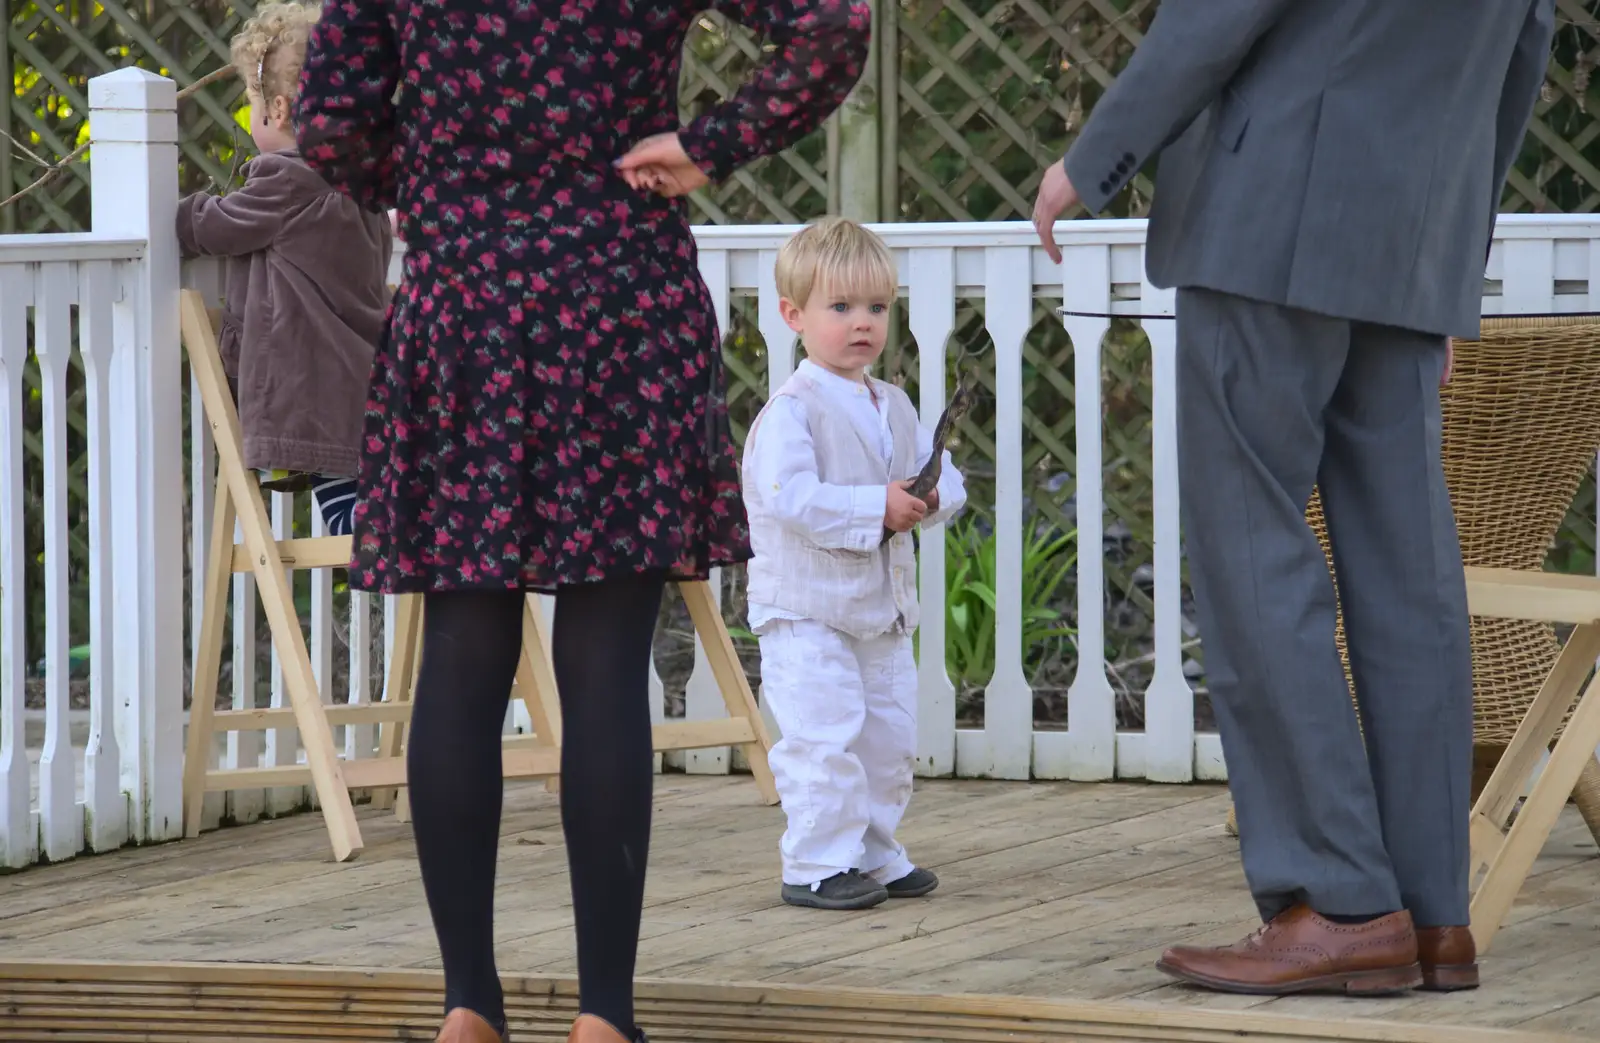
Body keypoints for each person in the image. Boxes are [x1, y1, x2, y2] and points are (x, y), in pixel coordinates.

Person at [291, 3, 871, 1042]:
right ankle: (604, 1014)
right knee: (605, 665)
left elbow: (329, 122)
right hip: (619, 298)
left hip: (464, 300)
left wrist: (435, 186)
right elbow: (831, 26)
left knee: (464, 654)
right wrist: (707, 145)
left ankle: (468, 1002)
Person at [1029, 0, 1557, 996]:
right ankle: (1430, 910)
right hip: (1407, 249)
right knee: (1409, 578)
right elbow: (1521, 56)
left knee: (1251, 554)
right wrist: (1450, 261)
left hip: (1264, 223)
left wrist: (1091, 159)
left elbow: (1218, 13)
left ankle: (1343, 903)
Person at [742, 217, 966, 911]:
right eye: (840, 308)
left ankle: (872, 850)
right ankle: (816, 861)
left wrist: (927, 499)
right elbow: (791, 499)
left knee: (887, 735)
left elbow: (938, 472)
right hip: (807, 610)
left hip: (878, 607)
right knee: (824, 733)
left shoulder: (890, 402)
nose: (861, 323)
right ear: (794, 315)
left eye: (876, 308)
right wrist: (877, 507)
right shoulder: (792, 411)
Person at [177, 0, 391, 536]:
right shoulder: (361, 184)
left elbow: (214, 229)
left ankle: (408, 528)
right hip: (365, 381)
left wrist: (183, 212)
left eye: (250, 103)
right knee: (359, 490)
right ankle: (427, 520)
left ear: (275, 108)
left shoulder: (287, 179)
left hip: (309, 386)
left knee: (349, 520)